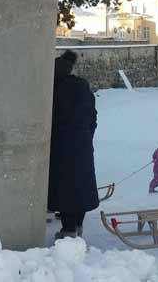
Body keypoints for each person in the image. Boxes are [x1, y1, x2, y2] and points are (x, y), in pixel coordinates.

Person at [48, 50, 99, 240]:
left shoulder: (55, 89)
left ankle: (69, 231)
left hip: (62, 146)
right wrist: (86, 137)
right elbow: (93, 117)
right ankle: (77, 225)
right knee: (81, 185)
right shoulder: (82, 87)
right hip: (83, 144)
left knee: (66, 188)